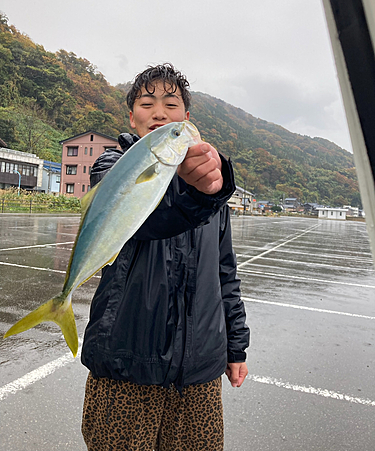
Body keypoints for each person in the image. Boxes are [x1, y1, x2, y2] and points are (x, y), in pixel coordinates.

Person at [81, 63, 250, 451]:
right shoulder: (114, 167)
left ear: (187, 118)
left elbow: (225, 273)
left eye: (171, 104)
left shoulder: (213, 193)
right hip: (125, 367)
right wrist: (205, 194)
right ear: (132, 117)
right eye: (146, 103)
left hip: (199, 373)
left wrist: (236, 346)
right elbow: (155, 217)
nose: (159, 112)